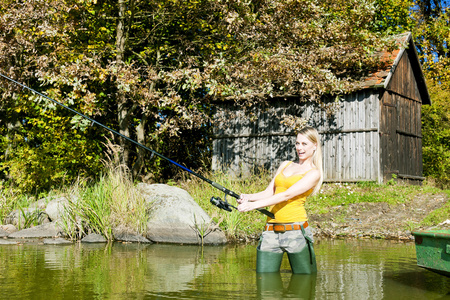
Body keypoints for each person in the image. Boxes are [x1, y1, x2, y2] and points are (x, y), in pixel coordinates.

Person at [237, 126, 323, 273]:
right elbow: (269, 192)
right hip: (271, 230)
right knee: (264, 280)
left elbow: (286, 195)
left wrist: (252, 206)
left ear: (314, 146)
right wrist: (248, 197)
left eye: (304, 144)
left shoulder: (313, 173)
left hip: (296, 231)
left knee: (304, 280)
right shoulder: (286, 165)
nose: (299, 148)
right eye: (297, 143)